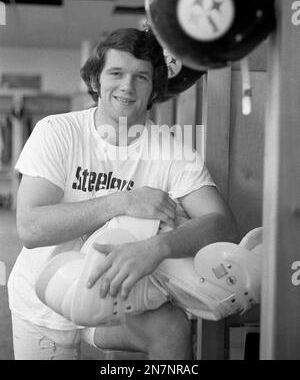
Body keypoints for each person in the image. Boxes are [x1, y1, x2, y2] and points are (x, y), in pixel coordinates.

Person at [8, 28, 238, 360]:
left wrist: (157, 247)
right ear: (96, 80)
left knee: (171, 329)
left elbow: (222, 224)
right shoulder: (57, 131)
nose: (127, 87)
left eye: (141, 77)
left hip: (117, 295)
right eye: (116, 73)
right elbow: (30, 227)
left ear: (155, 87)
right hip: (45, 295)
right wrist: (124, 201)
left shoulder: (172, 151)